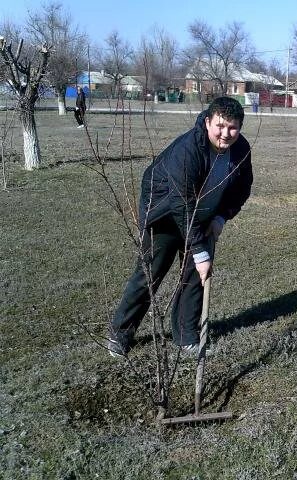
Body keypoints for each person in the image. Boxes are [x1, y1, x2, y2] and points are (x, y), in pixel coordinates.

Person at [107, 96, 253, 357]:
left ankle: (186, 336)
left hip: (204, 218)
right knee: (149, 276)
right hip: (165, 217)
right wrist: (199, 251)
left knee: (196, 279)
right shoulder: (188, 149)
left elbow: (242, 189)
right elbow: (181, 202)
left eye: (233, 127)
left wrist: (221, 218)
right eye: (220, 126)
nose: (226, 133)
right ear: (207, 122)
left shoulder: (241, 150)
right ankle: (120, 334)